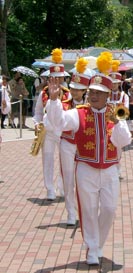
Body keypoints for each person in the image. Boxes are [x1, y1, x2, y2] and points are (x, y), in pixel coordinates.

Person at [46, 52, 132, 265]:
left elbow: (124, 141)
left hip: (110, 169)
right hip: (86, 169)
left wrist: (118, 122)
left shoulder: (116, 113)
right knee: (89, 210)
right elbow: (58, 123)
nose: (93, 96)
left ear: (107, 95)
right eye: (91, 92)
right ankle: (93, 248)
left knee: (110, 209)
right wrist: (55, 100)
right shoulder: (79, 113)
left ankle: (98, 243)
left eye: (99, 93)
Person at [33, 48, 70, 200]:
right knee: (47, 160)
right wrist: (37, 123)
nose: (56, 80)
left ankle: (62, 187)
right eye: (53, 77)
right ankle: (49, 189)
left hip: (63, 132)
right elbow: (38, 112)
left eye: (59, 78)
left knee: (64, 160)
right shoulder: (43, 93)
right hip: (48, 131)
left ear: (62, 79)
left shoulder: (68, 93)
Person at [60, 57, 91, 226]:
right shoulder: (64, 104)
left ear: (84, 90)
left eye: (78, 90)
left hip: (83, 145)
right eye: (73, 89)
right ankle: (71, 212)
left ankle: (84, 211)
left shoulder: (89, 106)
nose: (74, 92)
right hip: (67, 143)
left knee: (84, 179)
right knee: (68, 179)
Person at [109, 66, 130, 180]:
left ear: (119, 84)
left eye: (115, 83)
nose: (113, 85)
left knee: (118, 147)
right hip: (107, 124)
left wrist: (116, 118)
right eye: (112, 83)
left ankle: (117, 168)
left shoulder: (124, 96)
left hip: (119, 123)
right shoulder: (106, 95)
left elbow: (125, 110)